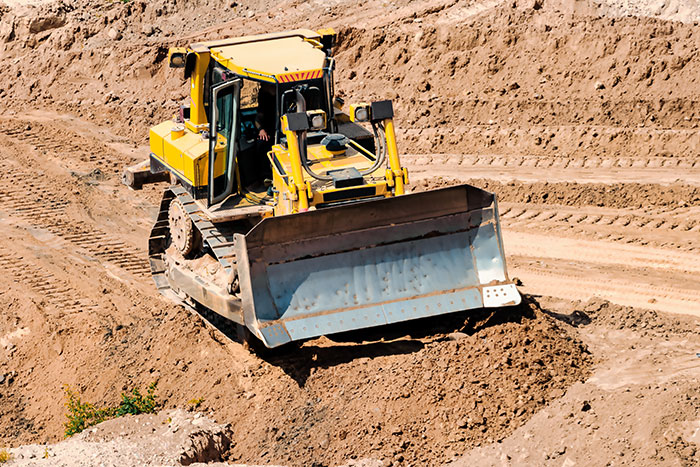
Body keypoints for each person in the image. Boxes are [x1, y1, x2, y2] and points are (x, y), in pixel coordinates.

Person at [253, 82, 276, 182]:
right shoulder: (264, 97)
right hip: (269, 130)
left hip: (286, 130)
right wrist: (261, 130)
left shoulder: (286, 95)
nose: (262, 87)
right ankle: (267, 176)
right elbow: (258, 117)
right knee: (262, 144)